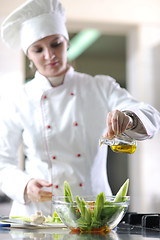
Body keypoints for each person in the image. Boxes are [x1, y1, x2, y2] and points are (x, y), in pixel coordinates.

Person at [0, 0, 160, 217]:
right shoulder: (19, 98)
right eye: (38, 49)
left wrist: (129, 118)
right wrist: (25, 185)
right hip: (39, 215)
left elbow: (149, 114)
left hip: (93, 211)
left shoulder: (100, 86)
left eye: (55, 44)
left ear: (66, 42)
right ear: (29, 56)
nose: (49, 55)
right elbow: (3, 162)